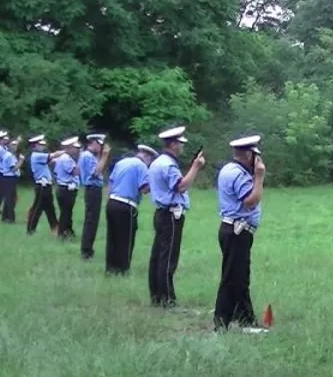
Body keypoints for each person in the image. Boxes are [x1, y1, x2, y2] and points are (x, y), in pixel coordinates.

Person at [148, 126, 206, 309]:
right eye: (180, 143)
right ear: (172, 144)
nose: (182, 147)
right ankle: (167, 299)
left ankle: (157, 296)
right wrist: (195, 167)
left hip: (161, 212)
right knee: (168, 257)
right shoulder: (168, 165)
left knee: (158, 255)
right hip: (171, 215)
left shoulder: (158, 162)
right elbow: (181, 186)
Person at [213, 135, 266, 333]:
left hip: (234, 229)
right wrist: (259, 177)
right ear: (247, 154)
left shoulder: (229, 169)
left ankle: (245, 319)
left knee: (240, 277)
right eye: (254, 155)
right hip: (237, 230)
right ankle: (221, 322)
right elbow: (251, 201)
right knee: (232, 277)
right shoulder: (238, 174)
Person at [105, 144, 156, 275]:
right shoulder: (142, 167)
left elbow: (110, 182)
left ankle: (110, 267)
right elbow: (144, 189)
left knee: (112, 237)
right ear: (147, 156)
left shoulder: (121, 162)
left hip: (112, 202)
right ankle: (123, 269)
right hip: (126, 205)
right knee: (126, 239)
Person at [79, 133, 111, 260]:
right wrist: (104, 156)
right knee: (91, 221)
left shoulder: (89, 156)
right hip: (92, 189)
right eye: (100, 145)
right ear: (94, 143)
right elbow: (96, 172)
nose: (102, 148)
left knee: (92, 220)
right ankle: (86, 251)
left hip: (93, 189)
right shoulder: (88, 156)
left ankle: (87, 249)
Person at [27, 135, 66, 236]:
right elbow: (53, 155)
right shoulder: (36, 155)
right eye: (40, 144)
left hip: (46, 186)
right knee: (37, 208)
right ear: (35, 146)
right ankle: (30, 230)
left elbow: (53, 160)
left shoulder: (40, 156)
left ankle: (55, 228)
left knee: (50, 208)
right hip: (42, 186)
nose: (42, 146)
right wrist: (66, 151)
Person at [54, 136, 81, 240]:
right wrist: (80, 162)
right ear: (69, 148)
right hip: (67, 189)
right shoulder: (66, 159)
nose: (77, 150)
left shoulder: (63, 158)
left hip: (63, 188)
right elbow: (76, 172)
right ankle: (62, 233)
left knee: (67, 212)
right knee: (66, 213)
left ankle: (69, 231)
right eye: (75, 148)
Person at [0, 138, 25, 224]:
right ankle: (11, 218)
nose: (15, 147)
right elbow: (14, 169)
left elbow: (14, 144)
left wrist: (18, 140)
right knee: (11, 199)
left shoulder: (8, 154)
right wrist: (21, 161)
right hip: (9, 178)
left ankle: (4, 217)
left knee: (9, 198)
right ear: (9, 146)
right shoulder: (9, 156)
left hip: (8, 178)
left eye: (16, 145)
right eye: (13, 145)